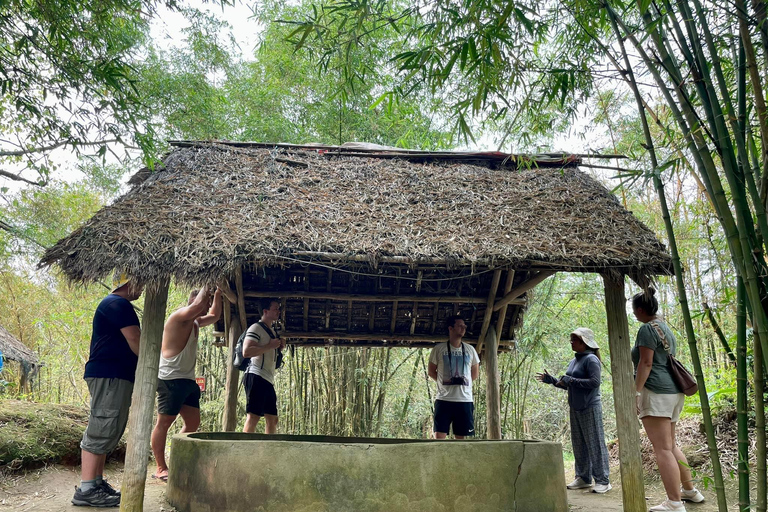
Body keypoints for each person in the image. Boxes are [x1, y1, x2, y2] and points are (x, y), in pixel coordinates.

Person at [72, 273, 143, 508]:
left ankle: (96, 482)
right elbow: (135, 338)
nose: (142, 288)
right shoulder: (117, 304)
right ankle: (87, 488)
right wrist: (151, 365)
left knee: (108, 426)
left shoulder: (116, 304)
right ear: (128, 282)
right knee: (102, 426)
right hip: (109, 375)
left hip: (113, 375)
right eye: (140, 283)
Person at [632, 288, 705, 511]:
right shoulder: (664, 327)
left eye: (634, 310)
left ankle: (674, 502)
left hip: (656, 392)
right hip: (674, 392)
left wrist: (636, 392)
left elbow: (646, 363)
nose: (634, 314)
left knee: (662, 448)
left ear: (641, 309)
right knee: (671, 445)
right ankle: (689, 491)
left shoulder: (646, 329)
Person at [150, 287, 222, 482]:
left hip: (188, 380)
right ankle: (160, 467)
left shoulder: (196, 322)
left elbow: (215, 315)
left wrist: (217, 294)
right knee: (164, 423)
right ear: (194, 301)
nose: (206, 307)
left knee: (192, 423)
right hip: (170, 379)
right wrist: (209, 282)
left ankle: (176, 458)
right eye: (205, 303)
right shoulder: (178, 317)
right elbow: (198, 305)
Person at [536, 328, 611, 494]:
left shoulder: (591, 360)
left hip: (590, 406)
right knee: (579, 444)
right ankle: (584, 478)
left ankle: (603, 480)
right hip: (576, 407)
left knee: (595, 443)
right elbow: (569, 384)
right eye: (571, 339)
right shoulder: (575, 360)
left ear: (584, 342)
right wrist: (553, 381)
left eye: (574, 340)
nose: (571, 342)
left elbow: (594, 382)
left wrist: (571, 380)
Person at [427, 315, 480, 439]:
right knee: (439, 436)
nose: (463, 328)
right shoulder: (438, 349)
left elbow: (475, 373)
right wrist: (444, 382)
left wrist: (463, 382)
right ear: (450, 328)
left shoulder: (470, 349)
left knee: (460, 439)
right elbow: (431, 371)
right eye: (460, 326)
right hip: (444, 398)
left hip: (464, 399)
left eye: (464, 326)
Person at [242, 298, 285, 434]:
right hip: (256, 376)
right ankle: (243, 450)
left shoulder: (272, 331)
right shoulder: (256, 328)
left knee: (272, 419)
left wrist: (278, 348)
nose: (278, 311)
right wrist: (270, 346)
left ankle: (269, 450)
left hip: (267, 379)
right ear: (265, 311)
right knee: (253, 416)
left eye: (279, 308)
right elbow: (246, 351)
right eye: (275, 309)